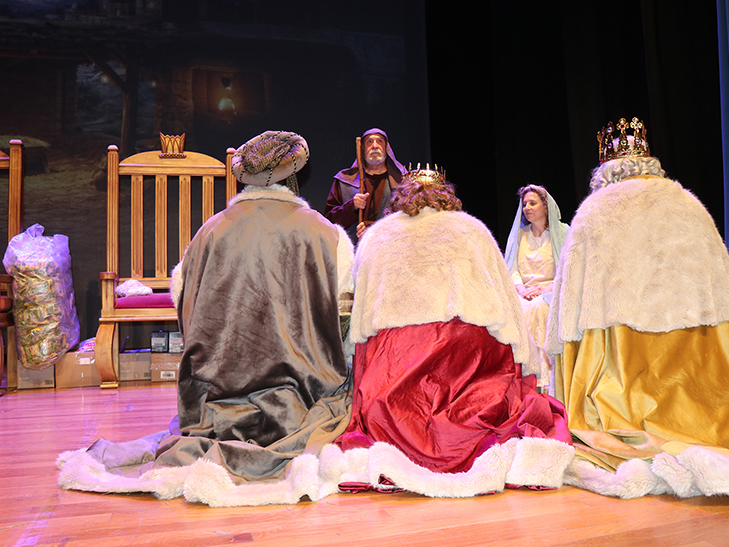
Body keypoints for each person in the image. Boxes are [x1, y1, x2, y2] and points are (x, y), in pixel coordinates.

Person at [546, 117, 729, 503]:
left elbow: (569, 304)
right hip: (702, 355)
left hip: (624, 360)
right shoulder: (685, 200)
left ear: (604, 170)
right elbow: (721, 278)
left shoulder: (596, 210)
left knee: (616, 401)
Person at [58, 130, 357, 506]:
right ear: (295, 175)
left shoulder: (207, 233)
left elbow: (182, 304)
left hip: (213, 400)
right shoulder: (325, 234)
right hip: (299, 400)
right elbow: (346, 316)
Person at [332, 167, 574, 497]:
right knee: (493, 365)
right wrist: (526, 360)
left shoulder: (378, 235)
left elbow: (358, 317)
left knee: (382, 376)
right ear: (447, 195)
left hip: (395, 361)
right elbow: (506, 306)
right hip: (466, 355)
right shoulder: (471, 230)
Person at [503, 184, 569, 394]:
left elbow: (567, 269)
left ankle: (546, 376)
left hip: (553, 288)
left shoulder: (562, 232)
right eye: (524, 204)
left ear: (546, 206)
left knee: (539, 307)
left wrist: (544, 290)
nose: (527, 208)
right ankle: (523, 376)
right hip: (523, 291)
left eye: (533, 203)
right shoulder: (520, 235)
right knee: (517, 309)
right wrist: (521, 289)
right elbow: (512, 268)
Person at [325, 127, 406, 240]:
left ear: (386, 148)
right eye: (369, 142)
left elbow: (410, 219)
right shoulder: (344, 181)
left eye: (379, 141)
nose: (374, 146)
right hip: (354, 251)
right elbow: (328, 222)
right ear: (362, 149)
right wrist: (351, 207)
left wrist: (375, 229)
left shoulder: (403, 182)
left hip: (391, 249)